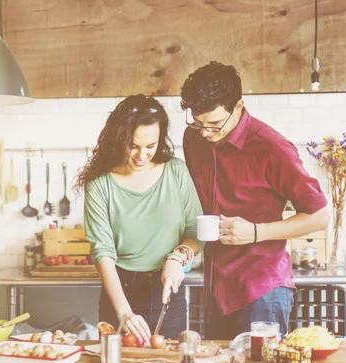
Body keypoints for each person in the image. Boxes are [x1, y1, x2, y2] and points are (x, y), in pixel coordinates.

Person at [180, 61, 330, 340]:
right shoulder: (194, 138)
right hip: (216, 288)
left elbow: (320, 216)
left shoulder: (272, 147)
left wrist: (257, 231)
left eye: (214, 124)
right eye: (198, 123)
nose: (205, 133)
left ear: (239, 106)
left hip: (263, 291)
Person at [75, 94, 205, 342]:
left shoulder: (175, 171)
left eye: (150, 146)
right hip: (119, 294)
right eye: (132, 146)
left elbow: (194, 229)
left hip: (168, 293)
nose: (141, 156)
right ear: (118, 140)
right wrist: (124, 312)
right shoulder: (100, 184)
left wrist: (178, 258)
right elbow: (102, 251)